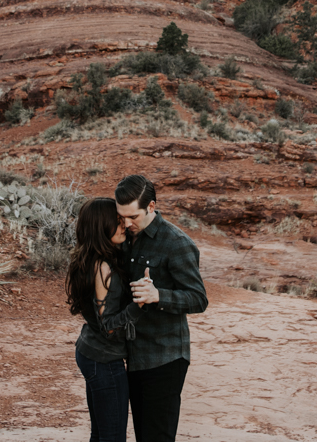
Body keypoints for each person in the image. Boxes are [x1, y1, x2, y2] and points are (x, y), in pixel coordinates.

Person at [115, 174, 208, 442]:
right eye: (122, 216)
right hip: (134, 356)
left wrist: (159, 295)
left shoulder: (177, 243)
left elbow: (198, 299)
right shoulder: (127, 236)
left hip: (165, 358)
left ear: (152, 207)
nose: (127, 223)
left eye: (133, 216)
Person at [67, 198, 142, 442]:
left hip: (92, 353)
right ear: (101, 227)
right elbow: (109, 328)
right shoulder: (103, 268)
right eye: (117, 222)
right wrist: (139, 304)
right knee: (112, 437)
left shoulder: (91, 259)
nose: (124, 226)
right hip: (104, 360)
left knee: (100, 435)